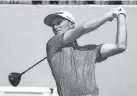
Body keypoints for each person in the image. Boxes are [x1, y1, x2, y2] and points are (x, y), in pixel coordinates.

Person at [44, 6, 127, 96]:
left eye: (58, 22)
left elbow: (120, 46)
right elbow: (84, 27)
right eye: (52, 25)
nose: (55, 27)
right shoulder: (52, 44)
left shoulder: (90, 51)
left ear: (72, 25)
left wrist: (121, 15)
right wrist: (108, 15)